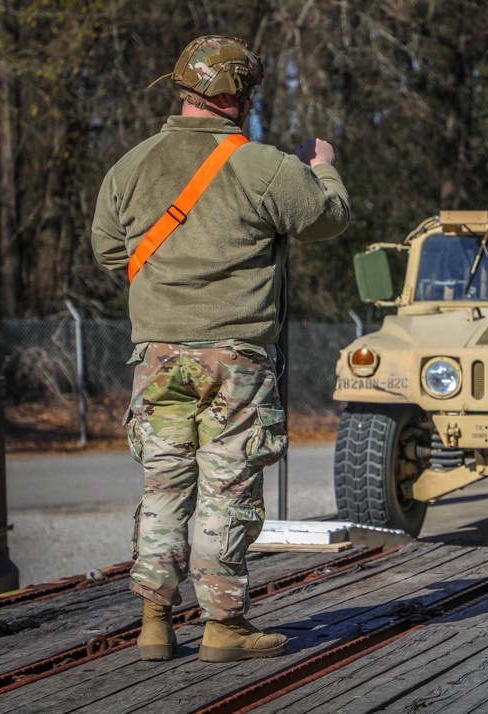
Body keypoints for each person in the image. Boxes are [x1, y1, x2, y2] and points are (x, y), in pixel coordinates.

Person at [91, 35, 350, 663]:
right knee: (226, 491)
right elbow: (329, 217)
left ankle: (155, 622)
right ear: (241, 98)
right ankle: (224, 627)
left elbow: (108, 251)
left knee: (163, 486)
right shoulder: (264, 166)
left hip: (156, 359)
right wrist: (321, 164)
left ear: (181, 88)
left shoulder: (130, 165)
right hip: (236, 359)